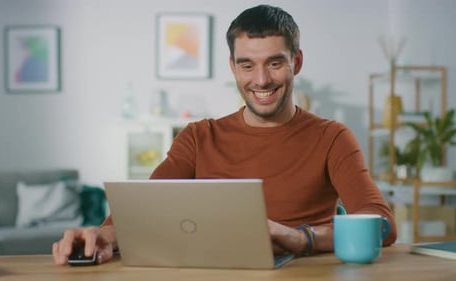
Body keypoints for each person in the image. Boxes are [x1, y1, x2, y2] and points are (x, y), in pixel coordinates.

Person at [52, 4, 397, 265]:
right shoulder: (199, 137)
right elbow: (144, 209)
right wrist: (103, 235)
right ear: (233, 67)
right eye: (247, 65)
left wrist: (299, 238)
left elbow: (382, 226)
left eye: (275, 63)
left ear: (297, 62)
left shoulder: (332, 137)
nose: (261, 80)